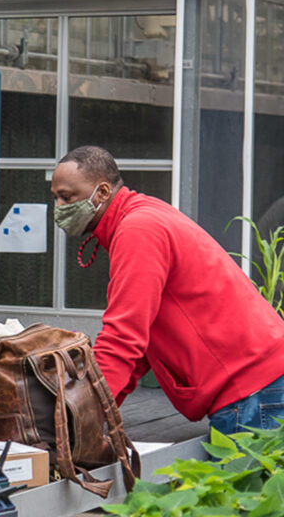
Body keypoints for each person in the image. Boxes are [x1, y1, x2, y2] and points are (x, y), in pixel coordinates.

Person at [50, 145, 284, 435]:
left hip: (252, 391)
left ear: (102, 192)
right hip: (262, 383)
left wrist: (77, 422)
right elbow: (140, 346)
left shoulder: (138, 231)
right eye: (56, 198)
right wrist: (103, 413)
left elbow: (123, 337)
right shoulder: (141, 217)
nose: (59, 208)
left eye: (67, 197)